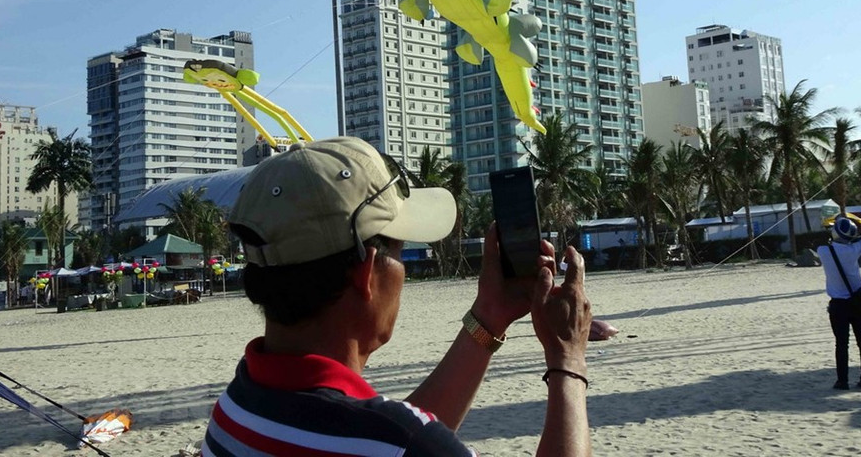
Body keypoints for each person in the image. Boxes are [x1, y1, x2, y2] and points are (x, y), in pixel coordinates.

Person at [202, 136, 593, 457]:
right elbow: (402, 439)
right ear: (367, 272)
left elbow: (391, 433)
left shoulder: (237, 407)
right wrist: (567, 360)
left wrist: (489, 317)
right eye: (401, 252)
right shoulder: (402, 443)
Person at [816, 217, 861, 390]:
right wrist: (859, 224)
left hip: (838, 305)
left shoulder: (823, 251)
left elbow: (824, 240)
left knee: (841, 344)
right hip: (858, 301)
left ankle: (842, 381)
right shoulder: (854, 249)